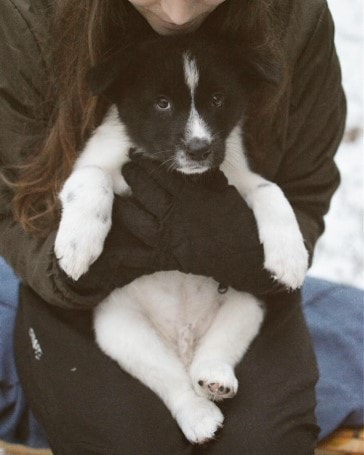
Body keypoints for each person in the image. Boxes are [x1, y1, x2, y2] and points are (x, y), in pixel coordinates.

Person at [0, 0, 356, 453]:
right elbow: (10, 203)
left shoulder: (295, 16)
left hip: (226, 298)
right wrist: (75, 260)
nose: (178, 11)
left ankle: (212, 366)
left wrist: (252, 253)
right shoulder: (27, 15)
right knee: (131, 441)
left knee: (263, 443)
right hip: (98, 305)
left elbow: (302, 191)